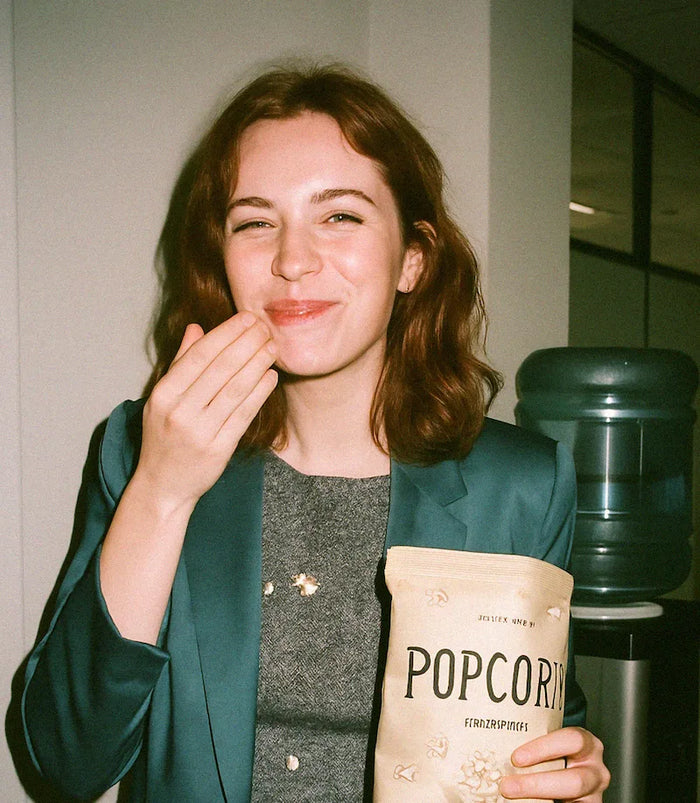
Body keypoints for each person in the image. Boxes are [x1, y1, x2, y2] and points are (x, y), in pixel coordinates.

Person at [19, 64, 609, 801]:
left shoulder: (523, 486)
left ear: (414, 258)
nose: (292, 261)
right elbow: (65, 760)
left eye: (340, 217)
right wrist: (162, 492)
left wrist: (567, 775)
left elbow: (537, 732)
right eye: (255, 222)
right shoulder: (141, 450)